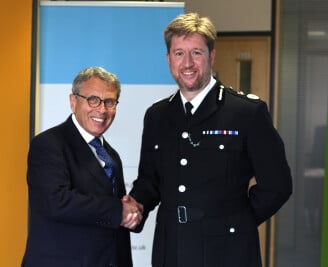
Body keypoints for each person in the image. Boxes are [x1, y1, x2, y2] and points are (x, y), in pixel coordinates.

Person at [127, 13, 293, 267]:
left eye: (197, 52)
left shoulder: (247, 112)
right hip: (171, 249)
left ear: (211, 56)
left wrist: (237, 224)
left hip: (227, 251)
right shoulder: (157, 116)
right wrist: (135, 206)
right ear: (168, 58)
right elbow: (150, 181)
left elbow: (277, 184)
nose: (188, 63)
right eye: (179, 53)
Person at [22, 67, 143, 267]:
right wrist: (118, 210)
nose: (102, 109)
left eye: (110, 102)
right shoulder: (48, 144)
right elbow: (57, 202)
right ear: (73, 101)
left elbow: (114, 221)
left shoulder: (111, 155)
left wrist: (133, 214)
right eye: (93, 99)